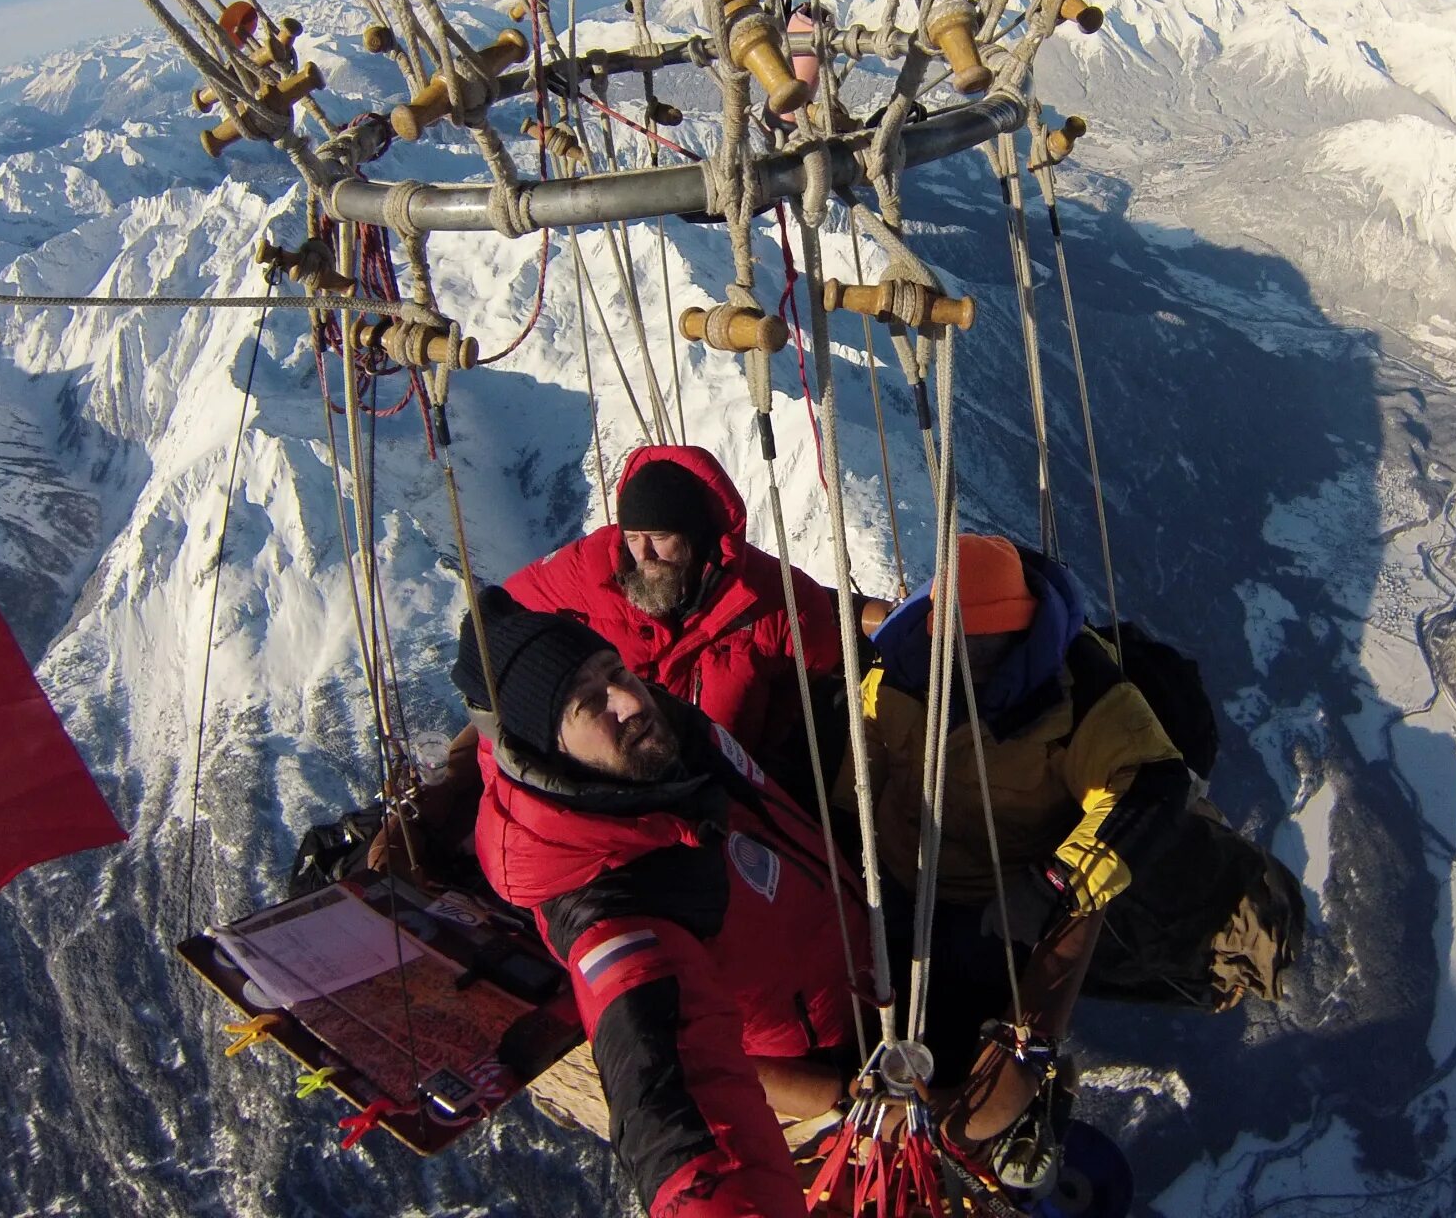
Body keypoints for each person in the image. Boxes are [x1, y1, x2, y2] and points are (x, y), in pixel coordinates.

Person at [844, 535, 1304, 1157]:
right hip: (894, 879)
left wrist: (1053, 886)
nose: (971, 660)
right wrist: (846, 834)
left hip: (992, 902)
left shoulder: (1080, 691)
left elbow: (1148, 784)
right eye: (959, 644)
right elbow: (867, 755)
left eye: (987, 646)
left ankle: (1003, 1140)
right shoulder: (900, 665)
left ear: (1023, 629)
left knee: (967, 1046)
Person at [455, 586, 868, 1218]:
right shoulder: (609, 905)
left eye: (614, 671)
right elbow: (672, 1091)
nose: (627, 697)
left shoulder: (658, 756)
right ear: (546, 752)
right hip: (826, 1052)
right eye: (587, 702)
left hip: (858, 961)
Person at [504, 444, 886, 780]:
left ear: (695, 535)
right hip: (617, 785)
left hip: (726, 787)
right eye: (633, 538)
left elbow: (816, 686)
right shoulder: (588, 570)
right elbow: (503, 613)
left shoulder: (777, 599)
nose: (643, 555)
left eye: (658, 538)